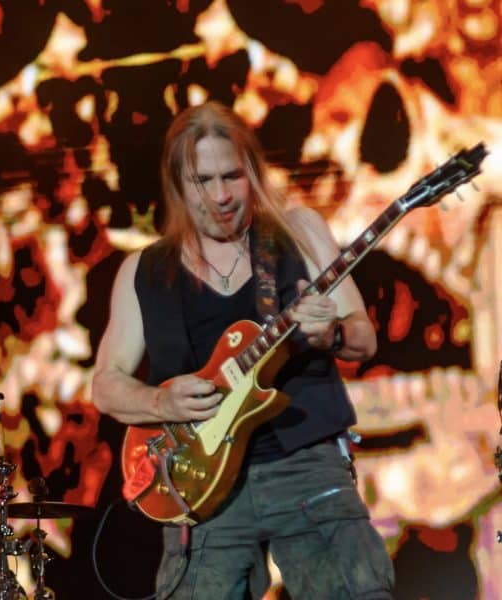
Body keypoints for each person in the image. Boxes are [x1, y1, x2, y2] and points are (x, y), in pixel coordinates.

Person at [91, 101, 394, 599]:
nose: (221, 196)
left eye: (232, 176)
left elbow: (363, 337)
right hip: (200, 485)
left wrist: (332, 335)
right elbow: (106, 384)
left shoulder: (299, 232)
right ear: (177, 184)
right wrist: (160, 402)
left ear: (252, 171)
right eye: (203, 181)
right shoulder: (141, 272)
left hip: (304, 465)